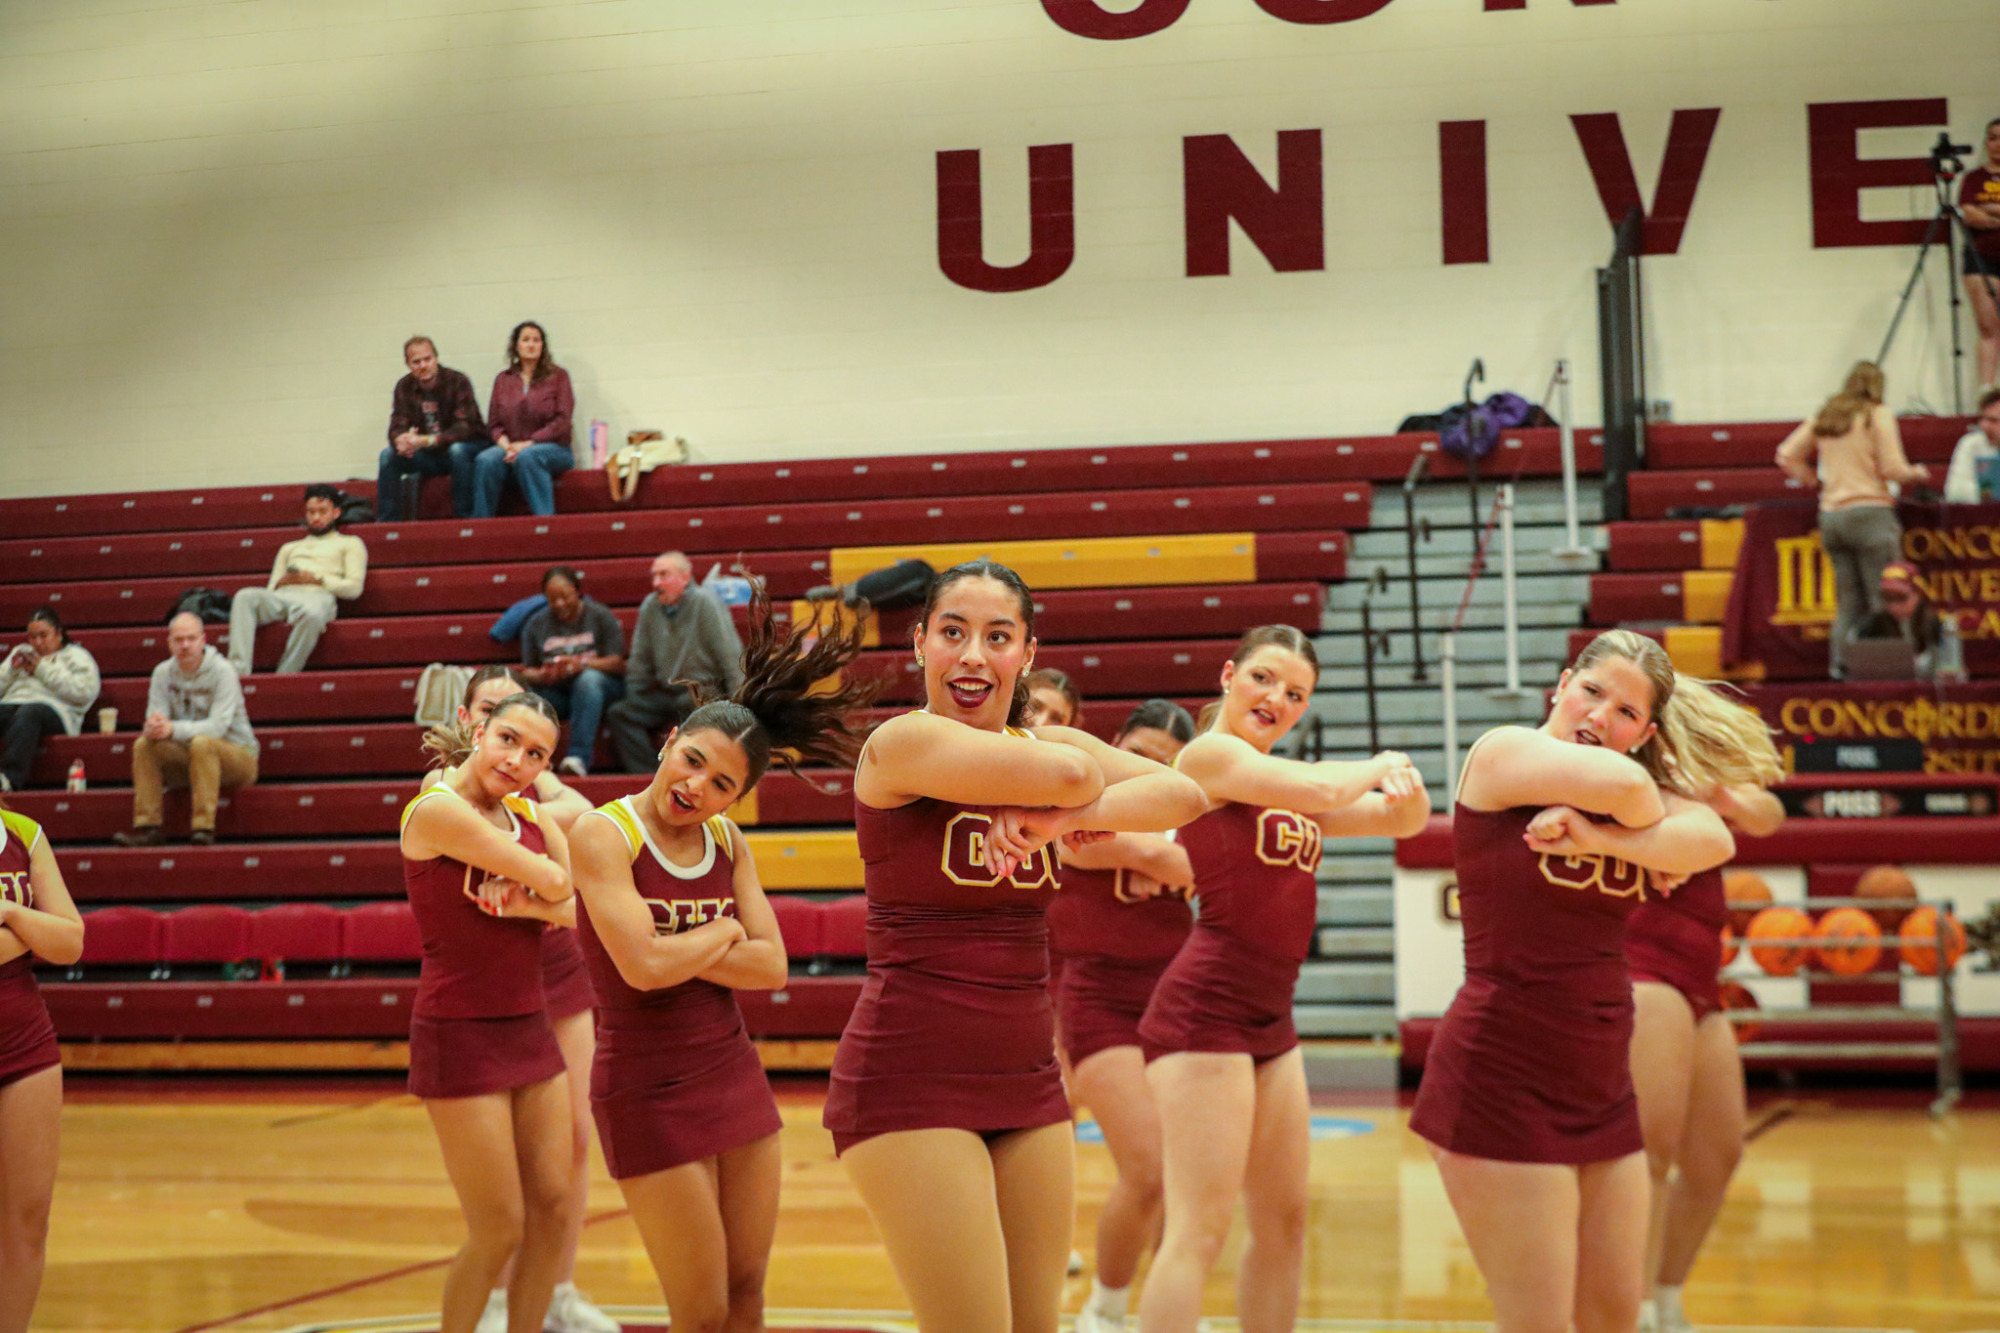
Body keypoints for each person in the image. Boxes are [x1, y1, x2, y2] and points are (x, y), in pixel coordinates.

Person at [826, 559, 1206, 1333]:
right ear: (919, 642)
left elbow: (1186, 795)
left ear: (1027, 654)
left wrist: (1054, 825)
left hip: (1029, 1081)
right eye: (953, 632)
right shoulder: (901, 744)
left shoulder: (1038, 753)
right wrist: (1054, 795)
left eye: (998, 637)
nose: (972, 656)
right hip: (910, 1076)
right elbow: (1067, 767)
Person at [568, 582, 877, 1333]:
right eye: (694, 760)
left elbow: (771, 967)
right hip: (644, 1085)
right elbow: (640, 968)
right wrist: (721, 935)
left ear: (737, 798)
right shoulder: (604, 835)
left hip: (731, 1071)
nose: (697, 785)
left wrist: (684, 947)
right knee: (700, 1310)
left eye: (722, 784)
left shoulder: (727, 842)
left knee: (747, 1296)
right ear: (670, 738)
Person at [1408, 629, 1737, 1333]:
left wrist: (1606, 841)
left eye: (1625, 712)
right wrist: (1650, 834)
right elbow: (1629, 784)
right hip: (1503, 1071)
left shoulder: (1613, 809)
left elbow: (1715, 837)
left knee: (1614, 1318)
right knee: (1540, 1323)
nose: (1599, 716)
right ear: (1561, 685)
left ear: (1645, 730)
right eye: (1592, 691)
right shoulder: (1503, 754)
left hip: (1601, 1080)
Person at [1137, 629, 1430, 1333]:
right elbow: (1328, 787)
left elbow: (1404, 820)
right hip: (1205, 1012)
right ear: (1230, 674)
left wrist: (1405, 789)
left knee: (1286, 1225)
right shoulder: (1210, 755)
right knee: (1199, 1231)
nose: (1277, 699)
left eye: (1295, 693)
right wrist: (1386, 758)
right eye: (1265, 679)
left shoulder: (1278, 781)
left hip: (1272, 1020)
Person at [421, 667, 617, 1333]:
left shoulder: (528, 810)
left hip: (531, 1026)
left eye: (537, 754)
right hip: (462, 1028)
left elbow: (571, 902)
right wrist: (544, 882)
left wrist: (538, 897)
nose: (519, 760)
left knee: (556, 1205)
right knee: (500, 1224)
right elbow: (558, 874)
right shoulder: (437, 807)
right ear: (476, 729)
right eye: (507, 739)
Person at [1622, 680, 1785, 1333]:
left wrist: (1718, 793)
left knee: (1718, 1151)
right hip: (1642, 964)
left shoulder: (1696, 769)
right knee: (1649, 1151)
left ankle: (1666, 1297)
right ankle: (1626, 1309)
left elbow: (1767, 815)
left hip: (1700, 977)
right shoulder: (1616, 771)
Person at [1049, 699, 1197, 1333]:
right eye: (1136, 753)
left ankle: (1169, 1312)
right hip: (1098, 1002)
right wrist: (1166, 852)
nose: (1145, 769)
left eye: (1161, 765)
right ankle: (1104, 1311)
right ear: (1115, 745)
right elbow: (1173, 863)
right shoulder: (1077, 807)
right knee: (1149, 1168)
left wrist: (1168, 853)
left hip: (1177, 1002)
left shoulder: (1180, 814)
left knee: (1183, 1180)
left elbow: (1200, 867)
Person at [1774, 362, 1931, 680]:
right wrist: (1918, 473)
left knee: (1848, 601)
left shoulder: (1827, 415)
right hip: (1870, 513)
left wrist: (1812, 481)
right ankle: (1887, 668)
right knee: (1887, 595)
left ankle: (1840, 665)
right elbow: (1891, 468)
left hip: (1831, 517)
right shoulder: (1876, 414)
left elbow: (1786, 454)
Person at [0, 798, 84, 1333]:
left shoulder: (23, 833)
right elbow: (47, 935)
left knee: (27, 1224)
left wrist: (9, 912)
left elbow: (71, 940)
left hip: (24, 1045)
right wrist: (31, 930)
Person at [112, 613, 258, 847]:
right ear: (169, 642)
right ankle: (148, 827)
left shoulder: (223, 671)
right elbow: (157, 717)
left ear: (203, 640)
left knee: (203, 742)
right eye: (179, 640)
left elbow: (217, 727)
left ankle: (203, 828)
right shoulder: (162, 673)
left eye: (191, 639)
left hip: (238, 756)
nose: (185, 645)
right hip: (191, 758)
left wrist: (171, 729)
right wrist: (153, 727)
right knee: (144, 745)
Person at [605, 553, 744, 775]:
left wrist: (740, 702)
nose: (656, 583)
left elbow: (731, 654)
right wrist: (636, 697)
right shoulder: (650, 606)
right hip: (666, 692)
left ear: (685, 577)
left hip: (704, 689)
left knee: (689, 703)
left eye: (663, 575)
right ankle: (649, 775)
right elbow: (640, 659)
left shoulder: (706, 602)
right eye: (654, 576)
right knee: (620, 713)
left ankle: (685, 773)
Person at [227, 485, 369, 677]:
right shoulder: (289, 547)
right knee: (244, 596)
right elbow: (271, 587)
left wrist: (318, 580)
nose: (316, 518)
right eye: (311, 512)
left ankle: (285, 675)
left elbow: (354, 589)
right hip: (284, 595)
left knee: (313, 614)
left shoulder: (350, 543)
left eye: (322, 511)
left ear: (336, 513)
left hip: (318, 596)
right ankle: (238, 672)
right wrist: (283, 582)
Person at [520, 567, 627, 777]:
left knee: (588, 680)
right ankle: (529, 763)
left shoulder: (599, 615)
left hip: (602, 689)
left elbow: (617, 663)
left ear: (577, 591)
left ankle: (578, 757)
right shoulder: (536, 624)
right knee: (528, 697)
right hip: (560, 691)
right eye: (552, 599)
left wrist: (581, 664)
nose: (560, 604)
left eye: (565, 596)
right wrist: (545, 674)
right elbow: (528, 672)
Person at [378, 336, 490, 522]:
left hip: (464, 449)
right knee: (388, 456)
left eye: (427, 359)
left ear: (436, 358)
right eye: (416, 362)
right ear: (407, 363)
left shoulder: (457, 380)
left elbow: (465, 427)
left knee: (458, 451)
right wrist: (400, 441)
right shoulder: (404, 386)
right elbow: (397, 423)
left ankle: (464, 519)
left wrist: (428, 440)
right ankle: (388, 523)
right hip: (429, 454)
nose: (423, 366)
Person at [474, 322, 575, 519]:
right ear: (516, 346)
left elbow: (562, 421)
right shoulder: (503, 379)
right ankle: (481, 529)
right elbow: (494, 425)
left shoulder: (558, 376)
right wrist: (507, 446)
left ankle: (545, 525)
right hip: (510, 447)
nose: (531, 345)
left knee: (529, 457)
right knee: (485, 460)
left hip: (553, 448)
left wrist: (527, 445)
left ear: (543, 346)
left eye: (536, 341)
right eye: (526, 340)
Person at [0, 609, 101, 795]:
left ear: (59, 634)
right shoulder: (20, 652)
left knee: (29, 712)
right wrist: (11, 672)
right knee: (15, 711)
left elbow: (85, 691)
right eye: (32, 637)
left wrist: (42, 669)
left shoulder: (77, 656)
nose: (37, 642)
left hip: (55, 711)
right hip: (13, 704)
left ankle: (8, 779)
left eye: (43, 635)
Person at [1859, 563, 1967, 683]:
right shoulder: (1873, 624)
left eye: (1900, 597)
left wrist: (1948, 672)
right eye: (1887, 598)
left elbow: (1956, 673)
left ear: (1917, 594)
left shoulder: (1940, 624)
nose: (1894, 605)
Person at [1958, 118, 2000, 390]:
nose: (1998, 144)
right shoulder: (1974, 178)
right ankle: (1987, 395)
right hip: (1982, 257)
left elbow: (1979, 212)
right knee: (1988, 328)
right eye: (1993, 138)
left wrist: (1989, 211)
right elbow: (1969, 214)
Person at [1943, 387, 2000, 504]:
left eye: (1993, 421)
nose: (1984, 425)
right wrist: (1992, 493)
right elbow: (1955, 491)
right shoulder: (1971, 444)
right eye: (1982, 419)